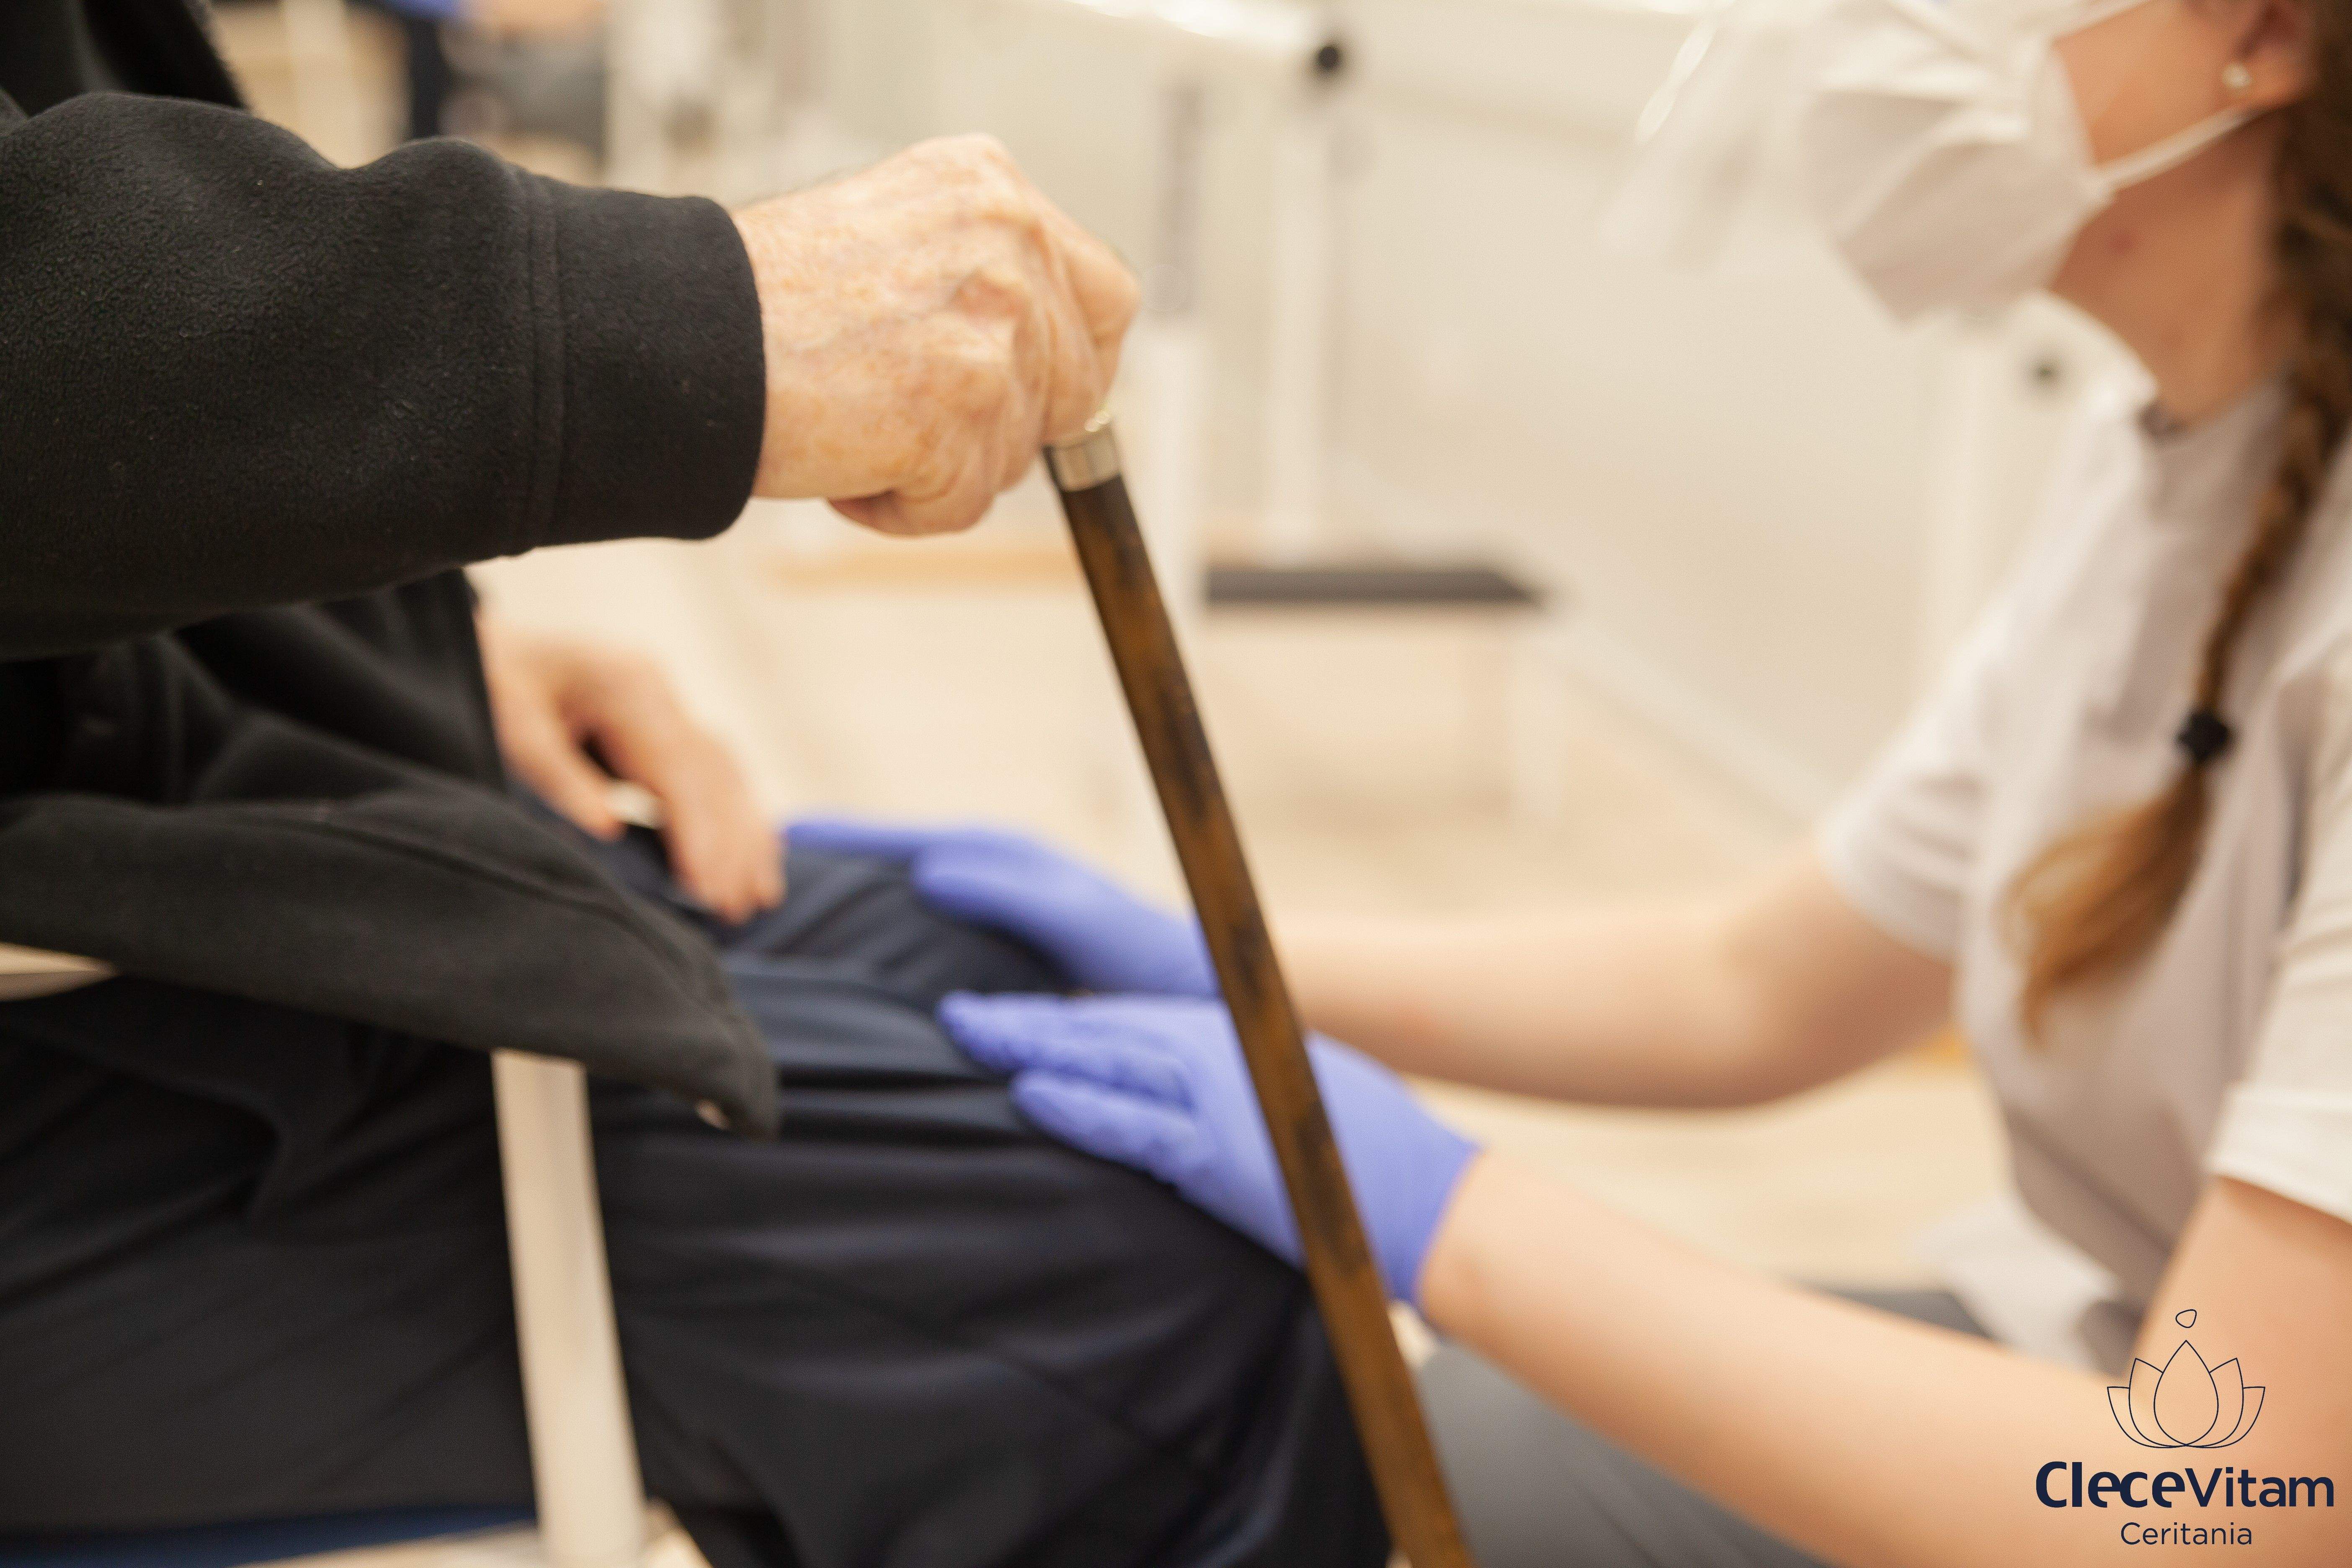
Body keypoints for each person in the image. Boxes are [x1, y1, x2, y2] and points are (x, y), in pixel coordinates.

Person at [812, 0, 2352, 1559]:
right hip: (2116, 1375)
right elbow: (1753, 987)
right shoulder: (2166, 463)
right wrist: (1223, 964)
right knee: (1442, 1437)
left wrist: (1449, 1218)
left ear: (2271, 36)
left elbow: (2236, 1504)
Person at [0, 4, 1389, 1565]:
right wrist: (683, 322)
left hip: (165, 772)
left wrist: (386, 640)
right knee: (1159, 1292)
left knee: (1002, 967)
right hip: (87, 999)